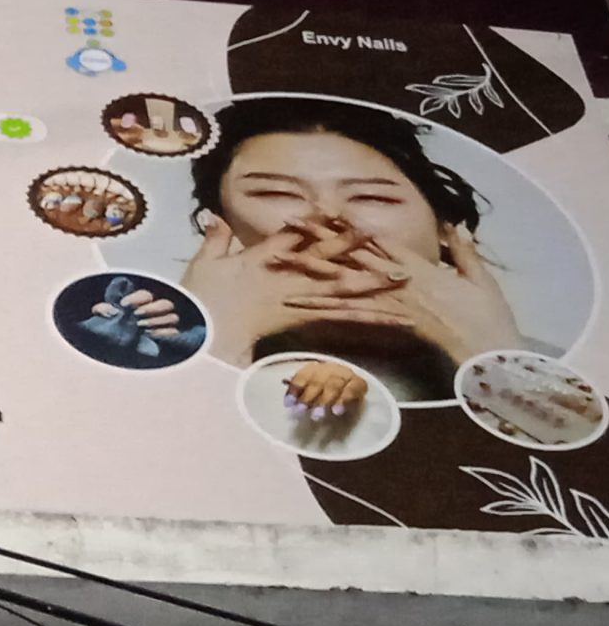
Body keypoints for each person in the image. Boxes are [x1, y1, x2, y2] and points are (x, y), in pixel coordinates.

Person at [178, 95, 526, 401]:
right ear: (220, 224)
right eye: (277, 193)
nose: (331, 217)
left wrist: (493, 353)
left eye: (373, 197)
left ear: (444, 228)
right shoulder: (165, 343)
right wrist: (211, 339)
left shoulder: (531, 360)